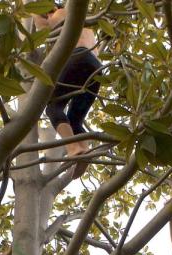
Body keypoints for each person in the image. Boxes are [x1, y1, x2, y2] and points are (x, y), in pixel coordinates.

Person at [34, 3, 102, 176]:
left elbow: (38, 27)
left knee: (53, 107)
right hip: (95, 68)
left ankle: (73, 149)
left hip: (77, 57)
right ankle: (85, 151)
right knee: (75, 119)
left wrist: (29, 9)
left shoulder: (59, 13)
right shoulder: (88, 29)